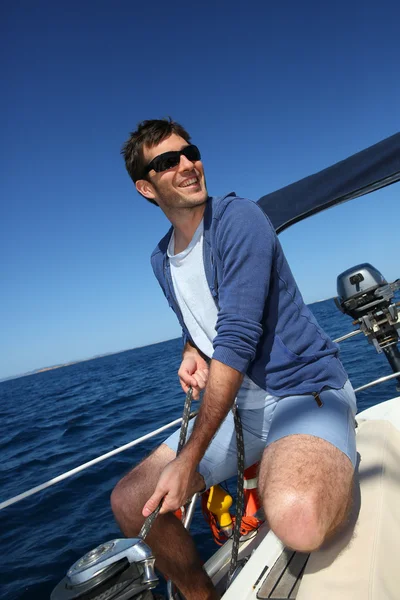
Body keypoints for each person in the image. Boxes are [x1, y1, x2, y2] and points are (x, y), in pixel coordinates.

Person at [111, 118, 357, 600]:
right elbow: (200, 322)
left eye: (190, 152)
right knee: (130, 500)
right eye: (167, 162)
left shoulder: (237, 218)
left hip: (302, 392)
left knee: (299, 520)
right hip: (239, 413)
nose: (187, 165)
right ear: (146, 187)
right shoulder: (162, 260)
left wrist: (190, 460)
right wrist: (190, 349)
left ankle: (330, 450)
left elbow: (239, 336)